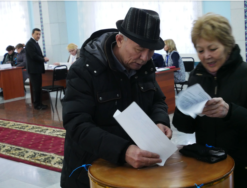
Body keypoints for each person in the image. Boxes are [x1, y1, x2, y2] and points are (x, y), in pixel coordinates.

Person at [61, 7, 171, 188]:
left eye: (150, 51)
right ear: (119, 40)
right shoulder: (85, 70)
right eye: (139, 49)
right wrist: (122, 151)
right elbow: (76, 123)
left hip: (135, 170)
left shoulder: (144, 68)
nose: (144, 58)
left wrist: (160, 121)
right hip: (89, 171)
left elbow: (157, 100)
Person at [172, 13, 247, 187]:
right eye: (200, 50)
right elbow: (183, 127)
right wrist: (187, 108)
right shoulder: (196, 77)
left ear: (227, 46)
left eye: (213, 49)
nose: (206, 56)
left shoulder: (244, 75)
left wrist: (229, 112)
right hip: (206, 167)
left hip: (240, 169)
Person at [26, 28, 49, 110]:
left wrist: (43, 57)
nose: (38, 36)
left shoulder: (35, 43)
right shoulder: (29, 43)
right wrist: (43, 59)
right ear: (32, 34)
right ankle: (37, 105)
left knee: (38, 87)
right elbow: (33, 56)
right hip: (33, 70)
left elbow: (38, 54)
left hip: (37, 69)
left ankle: (40, 103)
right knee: (36, 88)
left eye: (39, 34)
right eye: (37, 34)